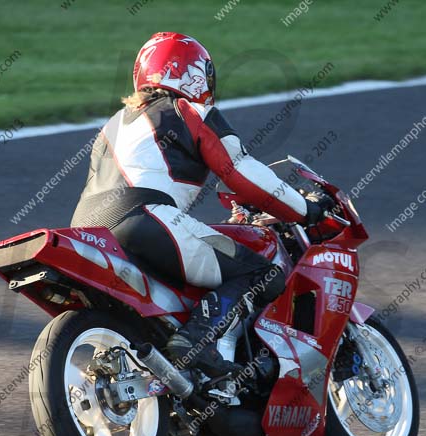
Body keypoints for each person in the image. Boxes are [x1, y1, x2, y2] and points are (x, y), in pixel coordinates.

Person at [71, 32, 331, 379]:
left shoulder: (114, 124)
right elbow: (239, 171)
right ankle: (195, 343)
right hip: (143, 217)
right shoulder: (189, 109)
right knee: (259, 271)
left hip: (87, 229)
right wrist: (304, 208)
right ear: (193, 74)